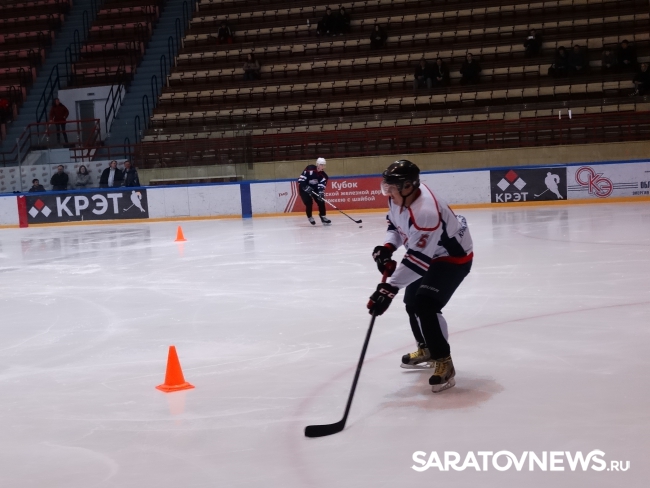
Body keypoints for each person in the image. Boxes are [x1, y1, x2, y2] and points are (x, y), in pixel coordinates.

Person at [367, 160, 473, 393]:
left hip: (452, 257)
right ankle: (427, 348)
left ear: (408, 186)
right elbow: (395, 226)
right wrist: (387, 247)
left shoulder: (426, 212)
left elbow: (417, 261)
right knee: (411, 302)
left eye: (392, 188)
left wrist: (389, 288)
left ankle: (444, 361)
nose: (388, 192)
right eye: (387, 187)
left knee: (426, 304)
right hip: (430, 254)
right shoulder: (398, 198)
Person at [297, 157, 330, 225]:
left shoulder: (324, 176)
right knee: (309, 203)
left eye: (323, 165)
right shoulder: (309, 169)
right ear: (317, 164)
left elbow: (321, 186)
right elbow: (301, 180)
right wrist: (305, 187)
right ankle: (310, 216)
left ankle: (323, 216)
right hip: (304, 188)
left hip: (315, 188)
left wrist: (320, 192)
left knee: (321, 200)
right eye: (321, 165)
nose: (323, 166)